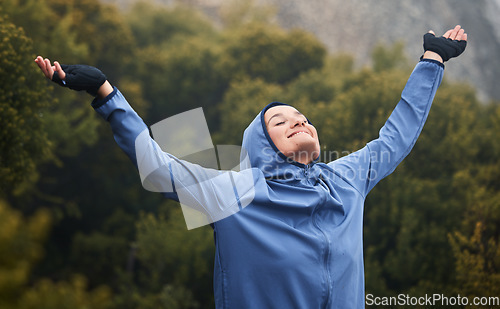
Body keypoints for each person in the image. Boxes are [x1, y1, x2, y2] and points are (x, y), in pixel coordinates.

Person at [35, 25, 467, 308]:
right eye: (279, 121)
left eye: (302, 116)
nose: (297, 120)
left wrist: (432, 60)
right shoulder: (235, 193)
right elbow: (157, 166)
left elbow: (395, 137)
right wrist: (107, 94)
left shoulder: (345, 180)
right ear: (262, 145)